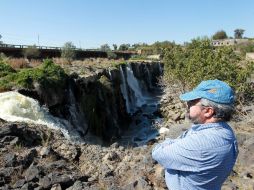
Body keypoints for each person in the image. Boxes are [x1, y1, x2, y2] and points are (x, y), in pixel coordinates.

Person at [152, 79, 238, 190]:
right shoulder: (225, 131)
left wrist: (170, 142)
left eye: (192, 102)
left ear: (208, 111)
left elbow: (157, 153)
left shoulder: (201, 143)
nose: (187, 104)